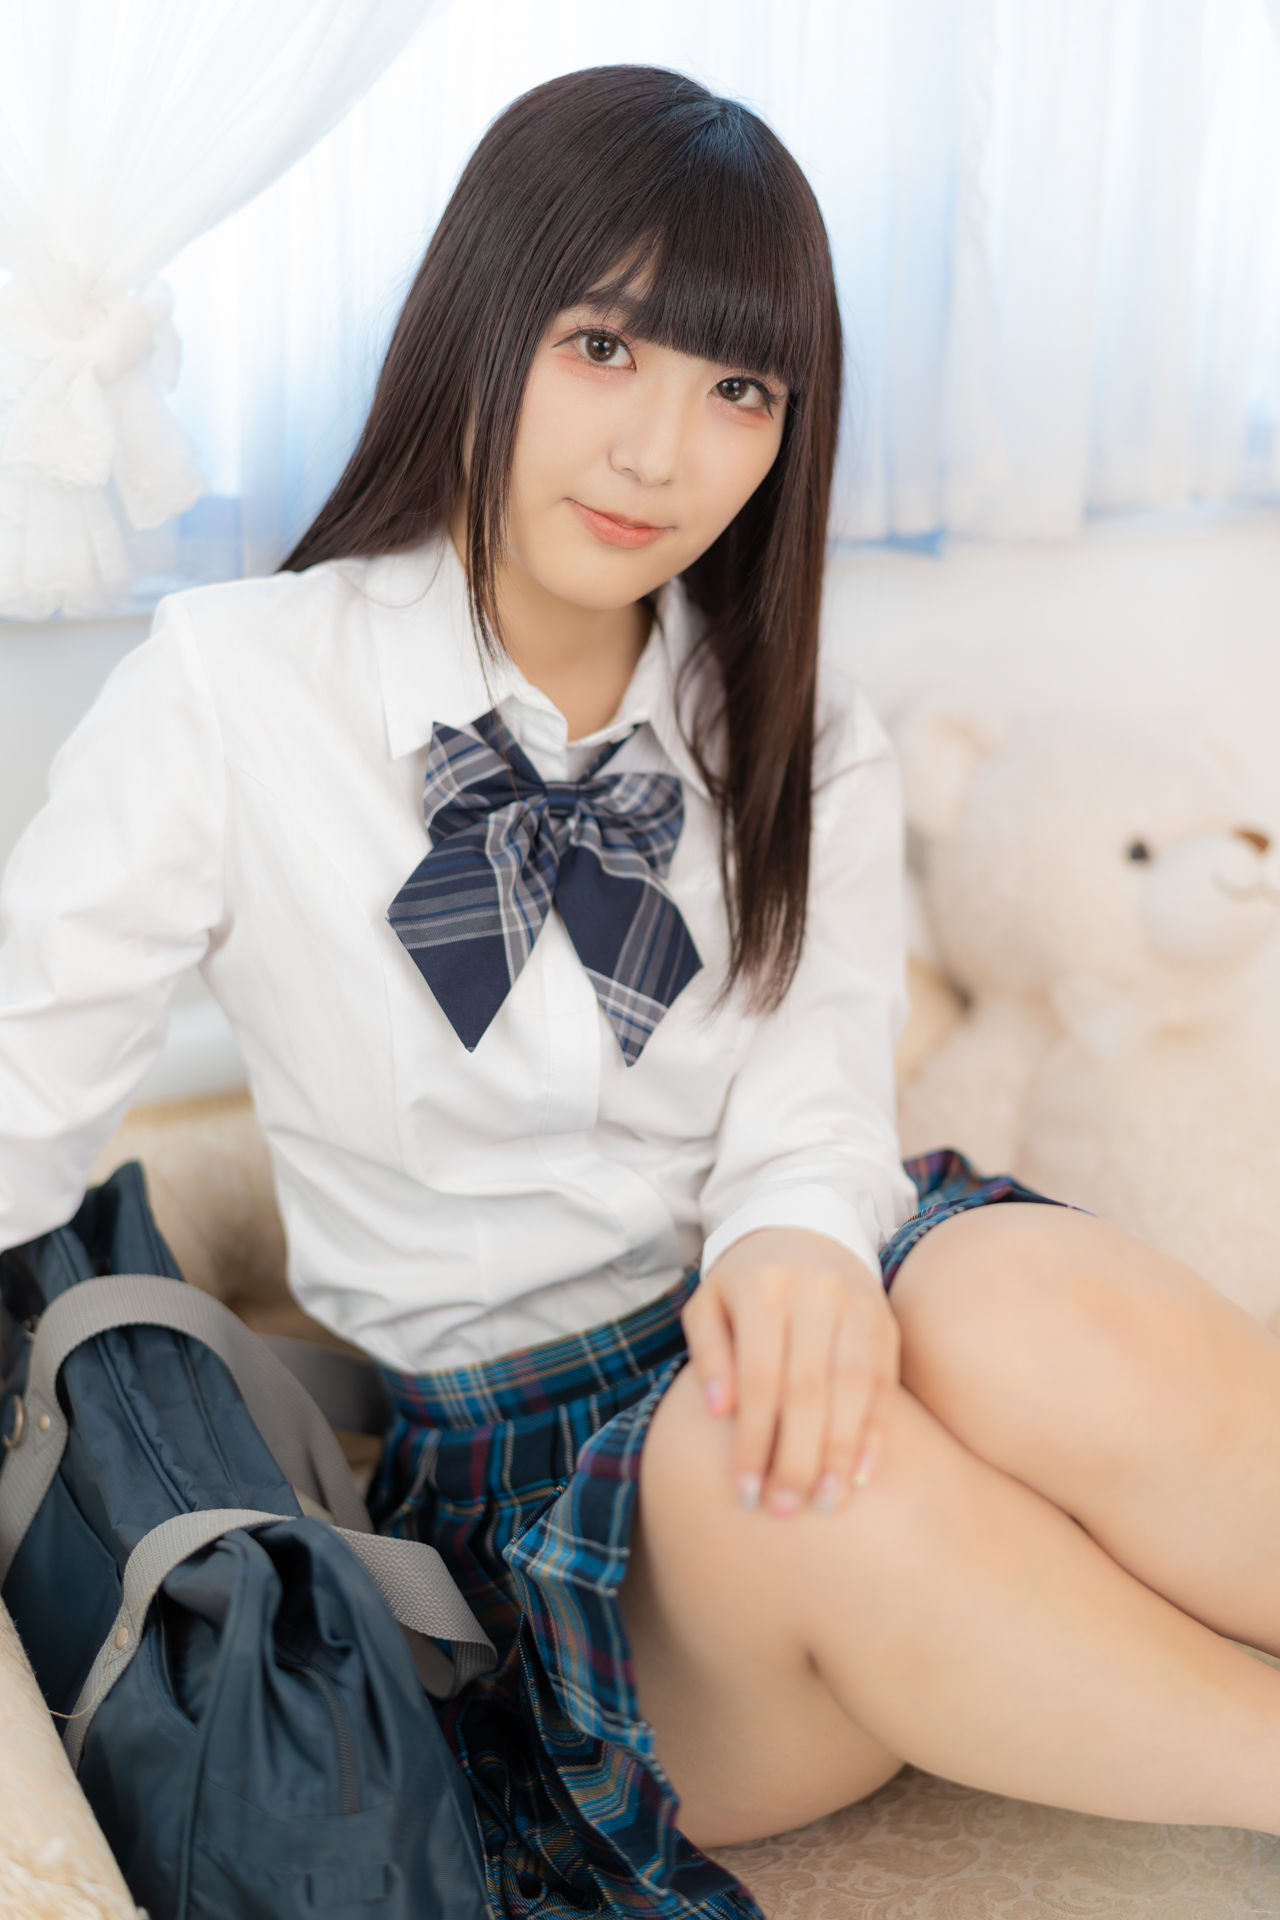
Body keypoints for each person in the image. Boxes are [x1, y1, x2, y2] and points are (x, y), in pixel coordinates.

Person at [3, 57, 1280, 1920]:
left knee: (1032, 1301)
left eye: (738, 388)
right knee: (791, 1469)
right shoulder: (231, 693)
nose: (661, 453)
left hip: (804, 1298)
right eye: (604, 348)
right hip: (559, 1510)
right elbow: (18, 1086)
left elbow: (823, 1094)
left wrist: (802, 1246)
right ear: (480, 316)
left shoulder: (794, 726)